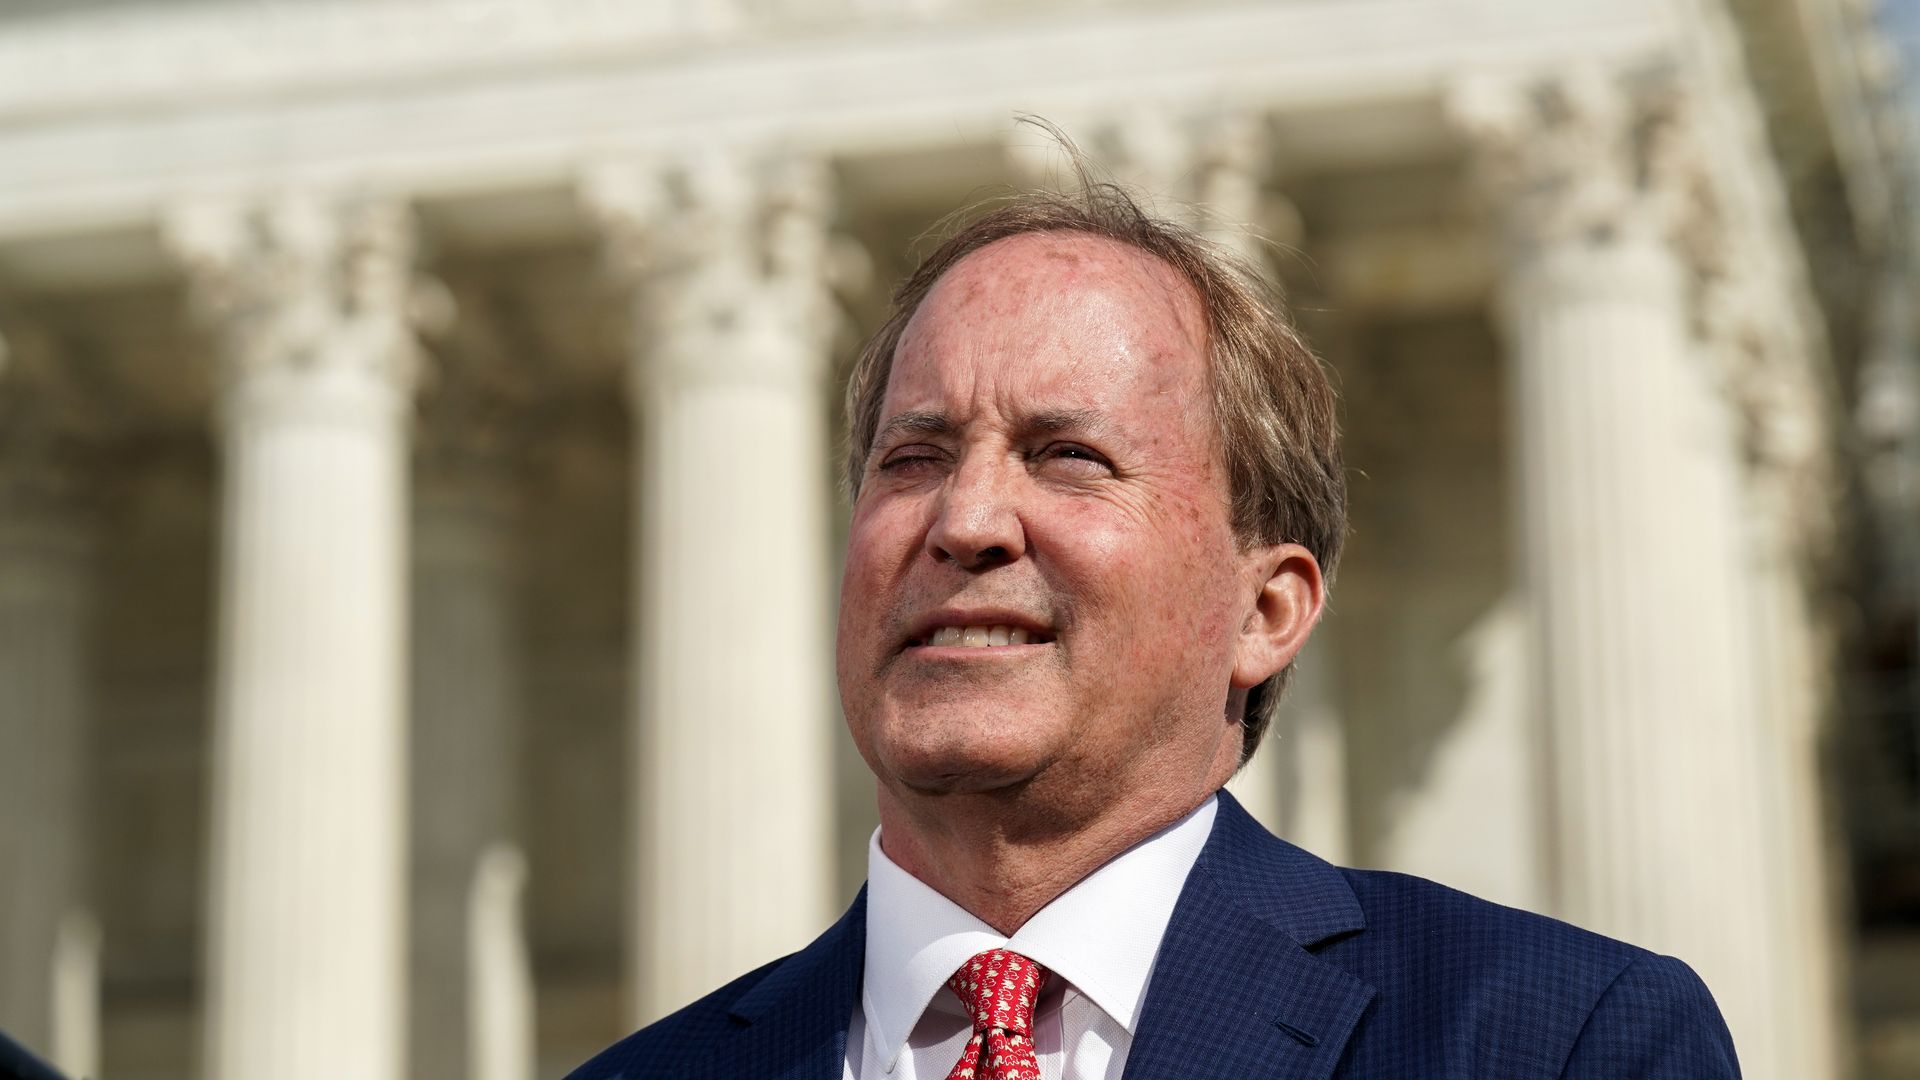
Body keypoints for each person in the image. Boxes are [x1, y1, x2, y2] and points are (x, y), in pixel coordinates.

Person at [567, 168, 1740, 1079]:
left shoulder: (1550, 1045)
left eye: (1068, 457)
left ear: (1267, 609)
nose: (966, 518)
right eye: (912, 459)